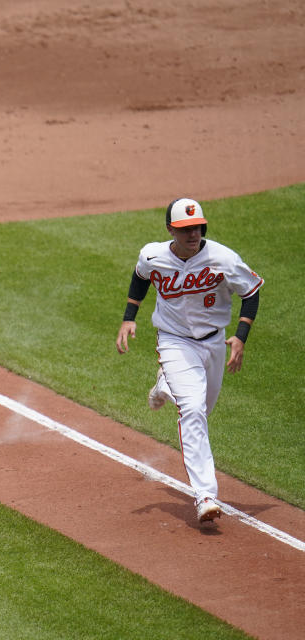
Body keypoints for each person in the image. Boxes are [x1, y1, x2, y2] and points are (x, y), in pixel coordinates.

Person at [115, 198, 262, 523]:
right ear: (171, 229)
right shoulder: (153, 255)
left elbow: (250, 292)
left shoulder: (223, 258)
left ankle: (166, 383)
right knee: (193, 411)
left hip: (214, 343)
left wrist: (240, 336)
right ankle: (205, 495)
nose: (193, 234)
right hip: (174, 342)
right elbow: (141, 277)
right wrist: (129, 317)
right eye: (185, 229)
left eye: (197, 227)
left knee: (203, 411)